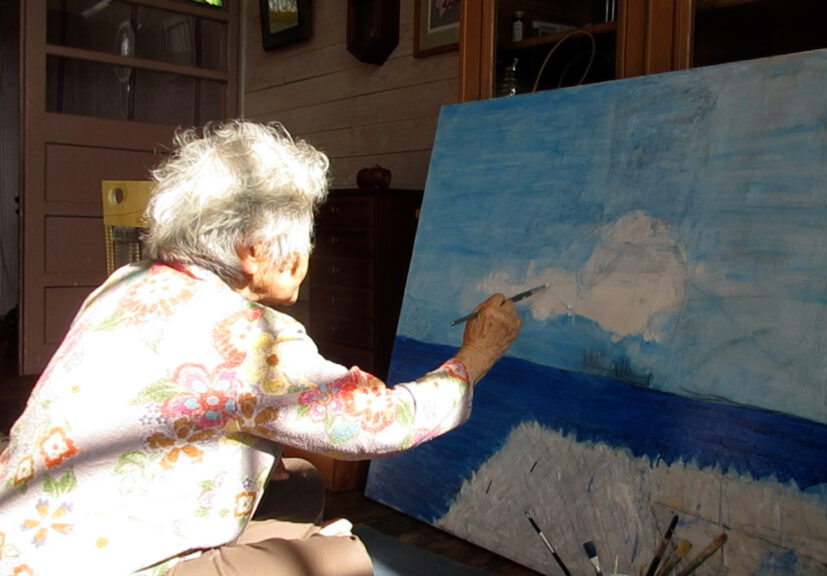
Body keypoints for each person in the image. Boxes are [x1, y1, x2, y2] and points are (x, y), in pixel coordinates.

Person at [0, 120, 522, 575]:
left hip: (22, 538)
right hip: (102, 565)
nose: (308, 250)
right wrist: (476, 356)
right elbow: (384, 423)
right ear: (252, 250)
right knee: (344, 559)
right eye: (304, 234)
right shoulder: (244, 336)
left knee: (299, 482)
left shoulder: (128, 283)